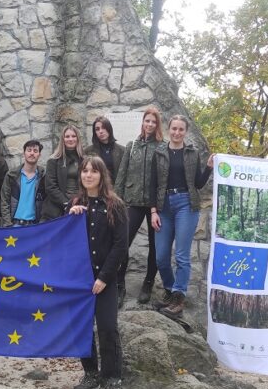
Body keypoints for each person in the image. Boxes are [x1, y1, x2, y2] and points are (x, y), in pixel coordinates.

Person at [67, 155, 128, 389]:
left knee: (107, 328)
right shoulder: (75, 204)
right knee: (82, 328)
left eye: (94, 171)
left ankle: (112, 379)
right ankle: (90, 373)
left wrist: (104, 277)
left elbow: (120, 246)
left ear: (102, 175)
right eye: (85, 171)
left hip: (105, 279)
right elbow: (65, 241)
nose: (88, 175)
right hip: (80, 280)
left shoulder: (115, 205)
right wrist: (70, 217)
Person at [150, 114, 213, 318]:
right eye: (174, 129)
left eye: (181, 129)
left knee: (182, 256)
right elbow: (152, 185)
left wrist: (209, 168)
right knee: (161, 257)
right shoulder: (159, 153)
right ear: (169, 129)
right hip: (163, 207)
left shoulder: (192, 153)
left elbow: (198, 183)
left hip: (186, 203)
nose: (177, 132)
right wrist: (153, 211)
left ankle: (178, 299)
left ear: (185, 132)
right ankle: (171, 290)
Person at [114, 106, 163, 307]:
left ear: (157, 125)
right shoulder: (132, 145)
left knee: (155, 246)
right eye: (147, 121)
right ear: (142, 122)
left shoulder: (162, 147)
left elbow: (163, 178)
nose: (150, 124)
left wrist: (159, 205)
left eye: (153, 122)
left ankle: (148, 282)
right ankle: (119, 284)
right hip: (131, 201)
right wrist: (116, 201)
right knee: (122, 242)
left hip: (154, 205)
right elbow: (121, 175)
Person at [41, 124, 83, 221]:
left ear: (78, 139)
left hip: (79, 207)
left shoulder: (84, 160)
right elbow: (50, 187)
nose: (70, 139)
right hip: (56, 209)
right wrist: (67, 203)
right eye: (67, 136)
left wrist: (79, 202)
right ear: (63, 139)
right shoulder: (53, 161)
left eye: (73, 136)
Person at [0, 140, 46, 226]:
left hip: (35, 225)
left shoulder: (43, 177)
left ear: (39, 155)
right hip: (14, 225)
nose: (32, 153)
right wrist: (7, 224)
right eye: (29, 150)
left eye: (35, 151)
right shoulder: (11, 176)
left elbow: (47, 202)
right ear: (24, 153)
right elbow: (4, 201)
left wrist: (42, 223)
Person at [83, 116, 125, 183]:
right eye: (97, 129)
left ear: (109, 129)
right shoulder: (88, 151)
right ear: (95, 133)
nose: (101, 131)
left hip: (116, 190)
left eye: (103, 128)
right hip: (96, 189)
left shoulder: (122, 150)